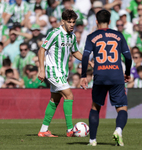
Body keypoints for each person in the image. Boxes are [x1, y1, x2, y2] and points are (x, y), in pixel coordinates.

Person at [37, 9, 92, 137]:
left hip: (62, 73)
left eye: (73, 22)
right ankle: (69, 130)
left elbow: (75, 52)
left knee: (55, 99)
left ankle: (43, 130)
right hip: (52, 70)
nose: (72, 24)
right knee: (69, 95)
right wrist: (41, 69)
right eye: (69, 22)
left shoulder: (72, 36)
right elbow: (41, 50)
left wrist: (87, 61)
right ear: (63, 21)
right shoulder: (55, 33)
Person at [80, 10, 132, 146]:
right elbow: (128, 57)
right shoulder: (118, 35)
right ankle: (118, 130)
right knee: (122, 108)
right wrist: (127, 73)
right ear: (110, 22)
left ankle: (92, 140)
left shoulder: (91, 36)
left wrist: (83, 76)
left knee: (95, 107)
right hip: (116, 75)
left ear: (96, 21)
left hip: (100, 76)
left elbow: (85, 56)